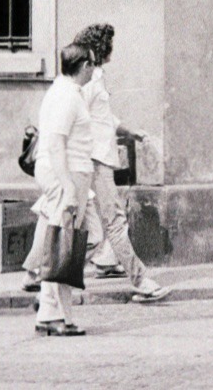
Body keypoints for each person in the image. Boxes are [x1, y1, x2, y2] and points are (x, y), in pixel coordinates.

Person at [72, 22, 170, 302]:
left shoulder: (97, 76)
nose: (113, 47)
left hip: (98, 157)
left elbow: (104, 118)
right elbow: (81, 115)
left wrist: (131, 132)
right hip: (95, 159)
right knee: (113, 221)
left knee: (79, 222)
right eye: (110, 43)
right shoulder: (90, 79)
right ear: (102, 47)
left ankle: (41, 274)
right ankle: (141, 281)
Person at [27, 42, 96, 336]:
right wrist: (68, 186)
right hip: (65, 174)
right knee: (62, 245)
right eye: (93, 64)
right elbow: (55, 143)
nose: (95, 69)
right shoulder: (66, 96)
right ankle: (52, 314)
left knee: (64, 243)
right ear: (83, 66)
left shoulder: (66, 92)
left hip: (68, 173)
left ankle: (53, 311)